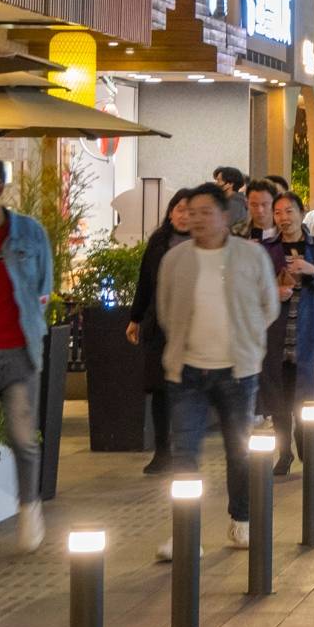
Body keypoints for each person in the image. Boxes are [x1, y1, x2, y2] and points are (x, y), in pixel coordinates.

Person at [155, 182, 279, 559]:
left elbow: (268, 305)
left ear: (226, 216)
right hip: (187, 371)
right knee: (184, 453)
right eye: (191, 213)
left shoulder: (250, 256)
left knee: (238, 450)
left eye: (205, 212)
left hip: (237, 370)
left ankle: (241, 521)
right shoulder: (174, 260)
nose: (196, 219)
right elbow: (165, 311)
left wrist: (250, 344)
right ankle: (185, 533)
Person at [0, 152, 54, 559]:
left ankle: (29, 506)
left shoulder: (29, 233)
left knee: (23, 440)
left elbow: (43, 287)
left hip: (19, 352)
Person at [262, 190, 314, 475]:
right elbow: (256, 288)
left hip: (305, 335)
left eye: (288, 211)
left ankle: (304, 443)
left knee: (304, 398)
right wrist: (274, 291)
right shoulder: (268, 249)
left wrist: (311, 270)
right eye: (278, 212)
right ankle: (284, 454)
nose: (283, 218)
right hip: (276, 335)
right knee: (278, 399)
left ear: (300, 212)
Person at [126, 189, 196, 475]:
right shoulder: (158, 243)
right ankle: (162, 451)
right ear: (170, 212)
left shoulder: (204, 244)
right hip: (159, 325)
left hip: (192, 328)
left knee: (187, 390)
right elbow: (145, 282)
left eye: (190, 210)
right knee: (159, 389)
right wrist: (135, 318)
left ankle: (185, 450)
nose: (184, 215)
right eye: (179, 208)